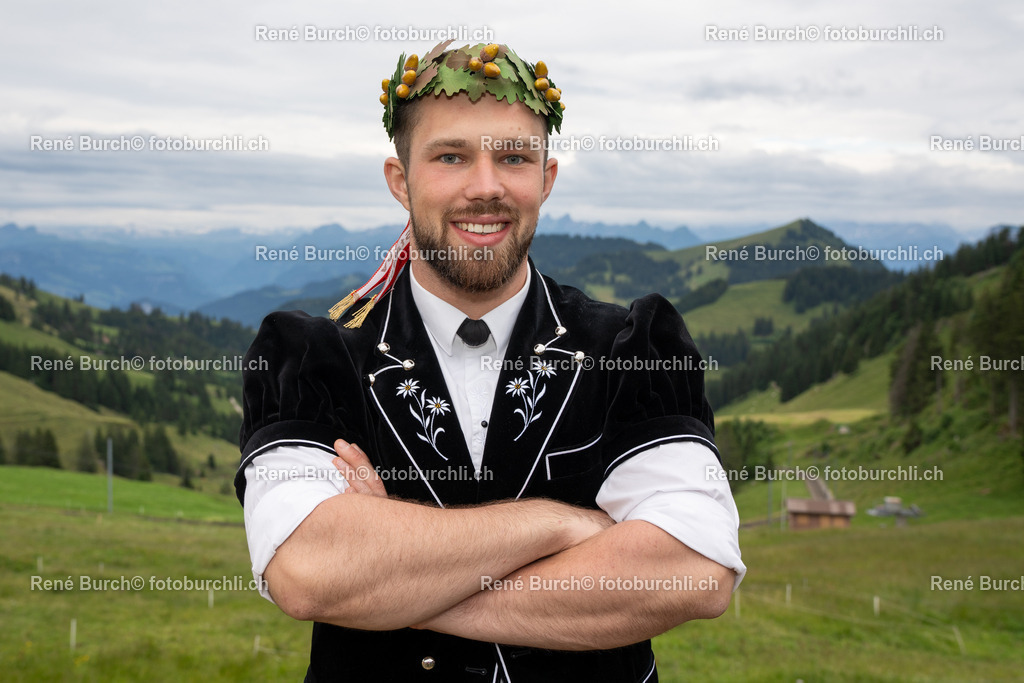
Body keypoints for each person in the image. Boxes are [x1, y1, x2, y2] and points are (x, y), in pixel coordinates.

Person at [235, 40, 745, 682]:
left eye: (513, 158)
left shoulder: (634, 349)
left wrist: (396, 587)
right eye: (451, 157)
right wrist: (565, 524)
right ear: (401, 180)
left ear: (546, 179)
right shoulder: (309, 356)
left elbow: (692, 573)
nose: (486, 187)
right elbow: (308, 572)